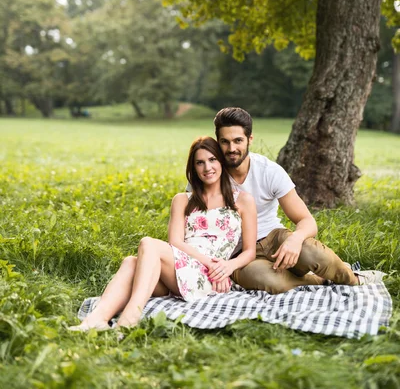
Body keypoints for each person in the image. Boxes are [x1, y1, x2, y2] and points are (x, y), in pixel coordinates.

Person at [68, 136, 257, 331]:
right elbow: (175, 242)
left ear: (221, 162)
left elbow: (249, 251)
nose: (207, 167)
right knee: (130, 262)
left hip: (210, 276)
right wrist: (207, 261)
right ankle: (95, 320)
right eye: (200, 162)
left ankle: (129, 319)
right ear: (193, 168)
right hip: (180, 267)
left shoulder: (243, 201)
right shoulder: (182, 200)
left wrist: (226, 267)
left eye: (212, 160)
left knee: (148, 243)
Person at [209, 107, 384, 294]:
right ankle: (317, 280)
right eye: (224, 142)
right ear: (217, 142)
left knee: (314, 254)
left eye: (238, 141)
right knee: (268, 280)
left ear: (249, 139)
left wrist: (295, 239)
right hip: (239, 254)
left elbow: (307, 221)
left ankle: (353, 278)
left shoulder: (269, 171)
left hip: (273, 238)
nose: (231, 149)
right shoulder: (207, 173)